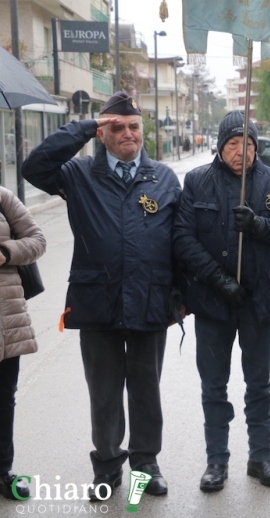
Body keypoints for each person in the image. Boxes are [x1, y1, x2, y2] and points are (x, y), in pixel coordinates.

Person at [21, 91, 181, 500]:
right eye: (117, 127)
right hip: (97, 300)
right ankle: (108, 466)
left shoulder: (163, 177)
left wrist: (181, 297)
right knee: (104, 390)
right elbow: (34, 166)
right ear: (103, 133)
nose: (127, 134)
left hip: (151, 299)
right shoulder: (77, 174)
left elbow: (180, 241)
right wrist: (85, 126)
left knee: (146, 388)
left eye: (133, 127)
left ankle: (146, 462)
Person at [173, 111, 270, 492]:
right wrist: (217, 280)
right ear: (220, 146)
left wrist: (259, 225)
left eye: (247, 144)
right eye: (233, 144)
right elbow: (182, 239)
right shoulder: (197, 181)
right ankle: (216, 460)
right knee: (214, 385)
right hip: (214, 301)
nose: (241, 152)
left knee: (259, 384)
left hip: (259, 300)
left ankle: (261, 457)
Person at [0, 187, 46, 501]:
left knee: (3, 400)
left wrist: (5, 253)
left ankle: (3, 470)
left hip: (6, 320)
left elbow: (37, 240)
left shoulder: (2, 198)